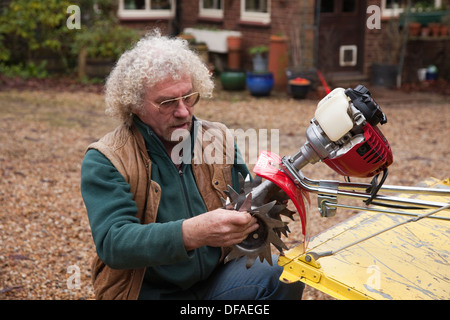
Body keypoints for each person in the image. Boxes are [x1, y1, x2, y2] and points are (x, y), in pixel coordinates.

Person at [80, 30, 304, 300]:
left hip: (216, 278)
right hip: (147, 292)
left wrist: (276, 191)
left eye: (188, 97)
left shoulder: (218, 139)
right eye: (167, 102)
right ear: (135, 105)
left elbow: (250, 206)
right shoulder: (107, 158)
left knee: (286, 274)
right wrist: (192, 232)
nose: (184, 111)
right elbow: (114, 244)